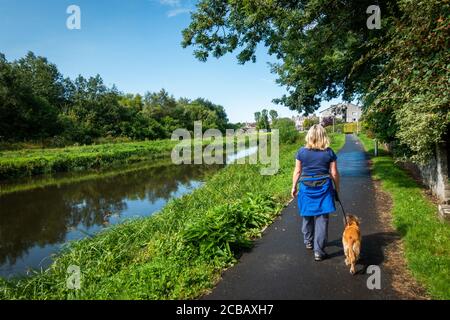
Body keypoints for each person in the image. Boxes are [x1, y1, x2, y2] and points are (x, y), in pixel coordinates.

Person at [291, 124, 340, 261]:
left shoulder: (301, 152)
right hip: (324, 188)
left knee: (307, 215)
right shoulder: (329, 152)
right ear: (323, 136)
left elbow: (298, 171)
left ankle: (308, 241)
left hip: (306, 188)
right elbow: (334, 173)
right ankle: (319, 251)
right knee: (322, 219)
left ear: (309, 136)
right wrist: (337, 188)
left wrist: (294, 186)